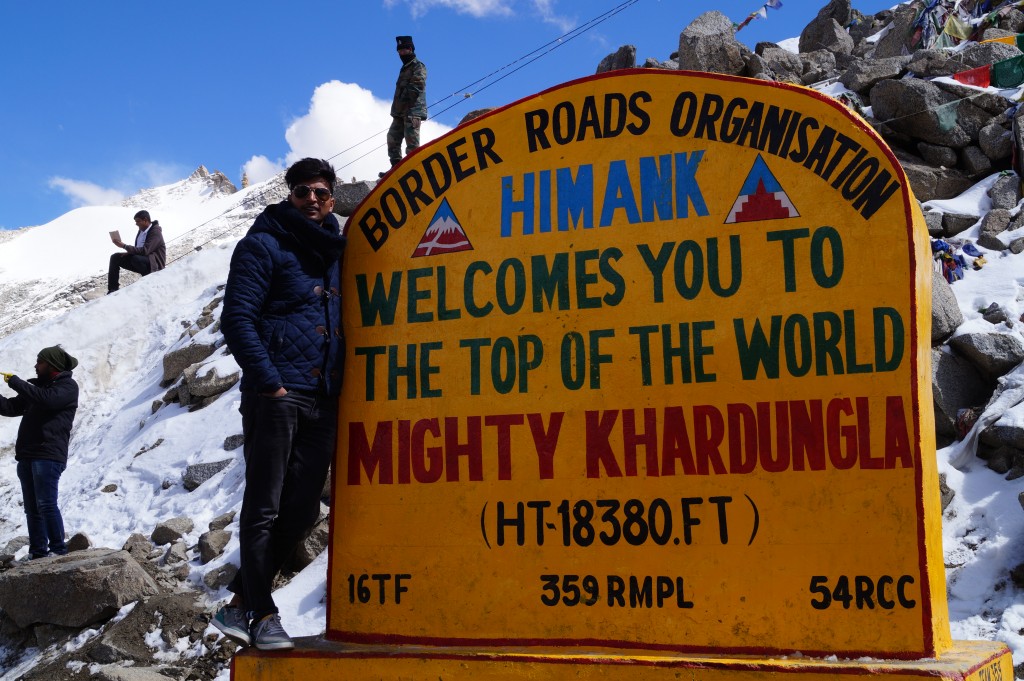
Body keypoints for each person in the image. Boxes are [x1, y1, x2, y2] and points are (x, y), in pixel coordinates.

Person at [215, 158, 346, 651]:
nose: (313, 199)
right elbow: (238, 319)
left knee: (303, 508)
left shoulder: (334, 249)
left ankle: (235, 603)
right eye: (302, 192)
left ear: (332, 198)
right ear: (288, 195)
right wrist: (269, 383)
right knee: (265, 505)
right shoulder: (261, 244)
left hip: (323, 396)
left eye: (321, 192)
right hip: (278, 395)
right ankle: (262, 612)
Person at [0, 346, 79, 560]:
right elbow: (8, 408)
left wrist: (16, 382)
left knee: (46, 504)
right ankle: (38, 552)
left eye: (39, 362)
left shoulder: (67, 387)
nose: (35, 366)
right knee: (32, 508)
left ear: (52, 364)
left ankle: (58, 551)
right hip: (28, 456)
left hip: (48, 454)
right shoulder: (38, 389)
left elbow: (47, 400)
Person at [386, 35, 428, 169]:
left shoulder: (418, 66)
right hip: (399, 113)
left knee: (412, 143)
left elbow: (417, 86)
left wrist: (403, 101)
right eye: (399, 51)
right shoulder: (404, 68)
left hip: (412, 112)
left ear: (410, 49)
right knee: (392, 138)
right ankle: (396, 168)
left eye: (404, 50)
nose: (401, 53)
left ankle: (412, 168)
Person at [108, 210, 166, 293]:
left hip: (154, 264)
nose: (136, 224)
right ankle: (113, 289)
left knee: (136, 259)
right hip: (141, 259)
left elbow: (145, 251)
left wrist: (124, 246)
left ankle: (149, 280)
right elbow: (139, 248)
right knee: (115, 257)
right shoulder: (141, 231)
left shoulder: (155, 232)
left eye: (138, 221)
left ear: (145, 220)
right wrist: (129, 252)